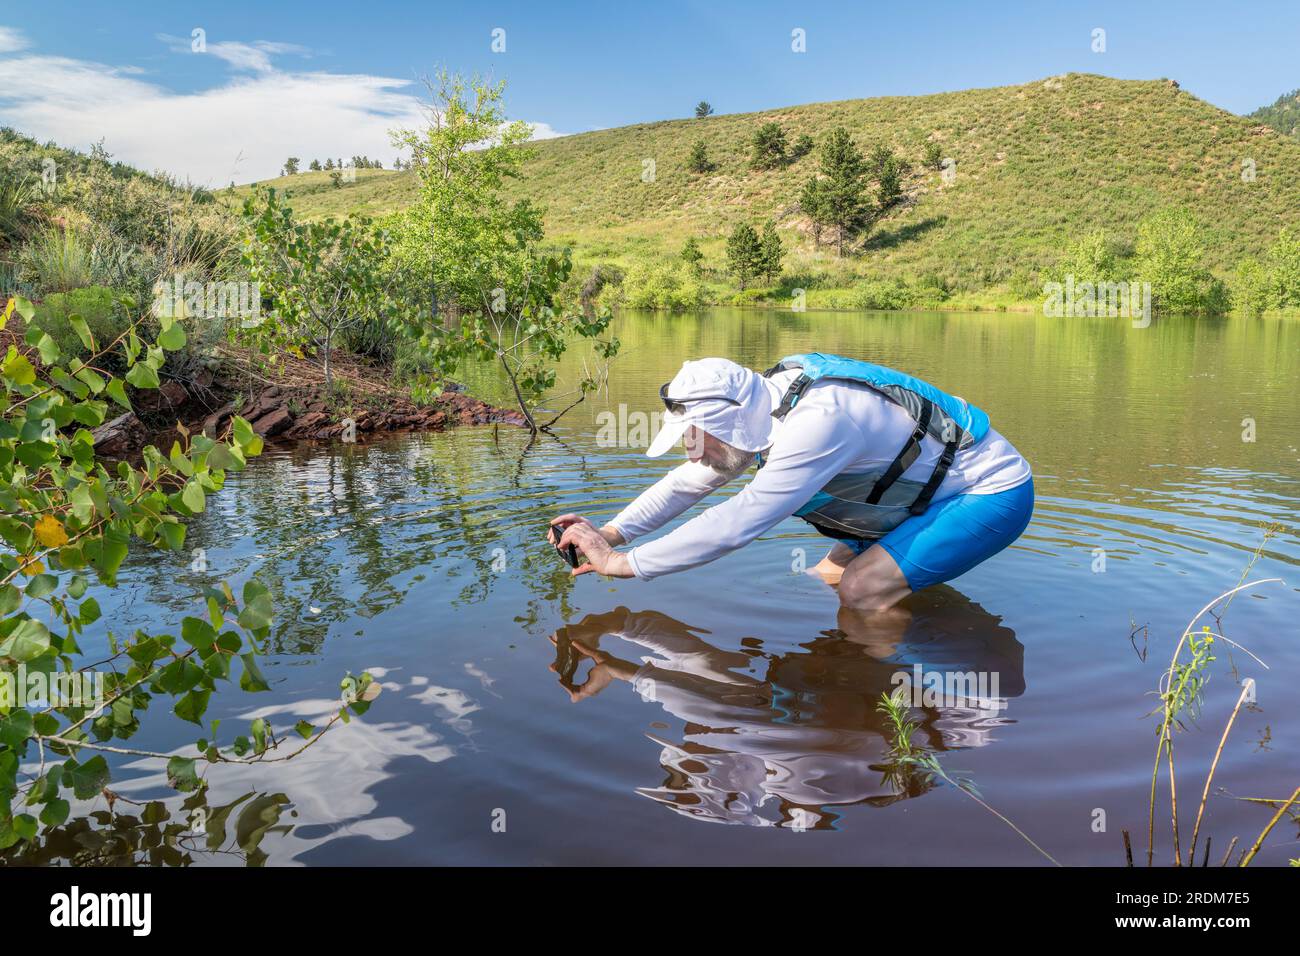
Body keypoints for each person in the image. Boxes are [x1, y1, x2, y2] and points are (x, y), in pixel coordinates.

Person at [551, 353, 1033, 610]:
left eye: (694, 436)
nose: (689, 449)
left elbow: (736, 523)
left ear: (728, 423)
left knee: (860, 590)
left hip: (988, 492)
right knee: (826, 576)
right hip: (916, 486)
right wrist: (612, 532)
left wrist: (620, 564)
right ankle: (850, 656)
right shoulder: (765, 402)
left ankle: (885, 703)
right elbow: (693, 479)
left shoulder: (819, 423)